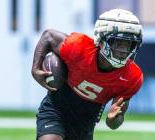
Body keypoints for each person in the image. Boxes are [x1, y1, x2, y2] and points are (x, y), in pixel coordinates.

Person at [31, 9, 143, 140]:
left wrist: (114, 119)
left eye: (129, 45)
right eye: (118, 42)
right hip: (56, 108)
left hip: (85, 123)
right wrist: (35, 67)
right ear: (101, 39)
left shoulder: (132, 77)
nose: (124, 51)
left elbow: (114, 123)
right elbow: (48, 36)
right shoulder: (78, 47)